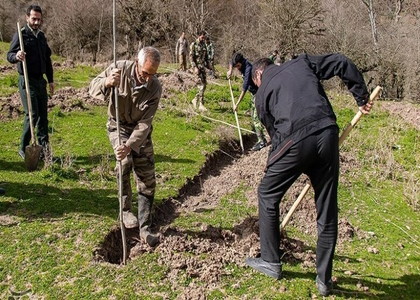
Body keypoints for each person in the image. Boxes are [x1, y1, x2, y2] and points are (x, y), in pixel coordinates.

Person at [245, 54, 373, 296]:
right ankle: (324, 280)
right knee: (326, 208)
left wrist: (274, 166)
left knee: (267, 193)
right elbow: (341, 62)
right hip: (326, 133)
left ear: (258, 75)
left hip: (293, 140)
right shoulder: (302, 62)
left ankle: (271, 261)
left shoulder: (261, 95)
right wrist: (361, 97)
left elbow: (275, 137)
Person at [89, 46, 162, 247]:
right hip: (117, 126)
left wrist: (130, 145)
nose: (147, 78)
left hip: (140, 134)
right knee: (123, 162)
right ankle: (125, 210)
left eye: (152, 74)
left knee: (147, 178)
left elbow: (145, 123)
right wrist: (106, 82)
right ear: (136, 63)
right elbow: (92, 88)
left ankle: (146, 228)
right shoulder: (118, 69)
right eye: (145, 72)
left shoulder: (155, 87)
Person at [7, 5, 54, 161]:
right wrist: (17, 55)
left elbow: (47, 60)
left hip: (41, 81)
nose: (36, 22)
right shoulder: (21, 35)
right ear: (27, 17)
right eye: (33, 19)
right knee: (32, 114)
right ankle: (23, 147)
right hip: (27, 80)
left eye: (39, 19)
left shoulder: (41, 36)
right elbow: (10, 55)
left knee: (43, 117)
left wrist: (51, 80)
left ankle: (44, 151)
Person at [227, 52, 267, 151]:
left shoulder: (248, 69)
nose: (237, 68)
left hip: (258, 93)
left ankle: (262, 141)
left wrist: (237, 104)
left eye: (238, 66)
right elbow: (231, 62)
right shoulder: (237, 62)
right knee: (254, 115)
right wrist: (230, 71)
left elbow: (244, 89)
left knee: (256, 117)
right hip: (253, 94)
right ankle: (261, 138)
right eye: (236, 66)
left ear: (241, 62)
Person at [189, 30, 211, 112]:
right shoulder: (194, 45)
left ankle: (195, 99)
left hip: (202, 68)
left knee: (204, 85)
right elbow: (191, 58)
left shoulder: (204, 45)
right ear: (199, 36)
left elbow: (206, 57)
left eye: (204, 37)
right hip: (197, 69)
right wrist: (194, 67)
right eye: (202, 37)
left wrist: (209, 64)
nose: (203, 38)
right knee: (201, 85)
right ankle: (201, 104)